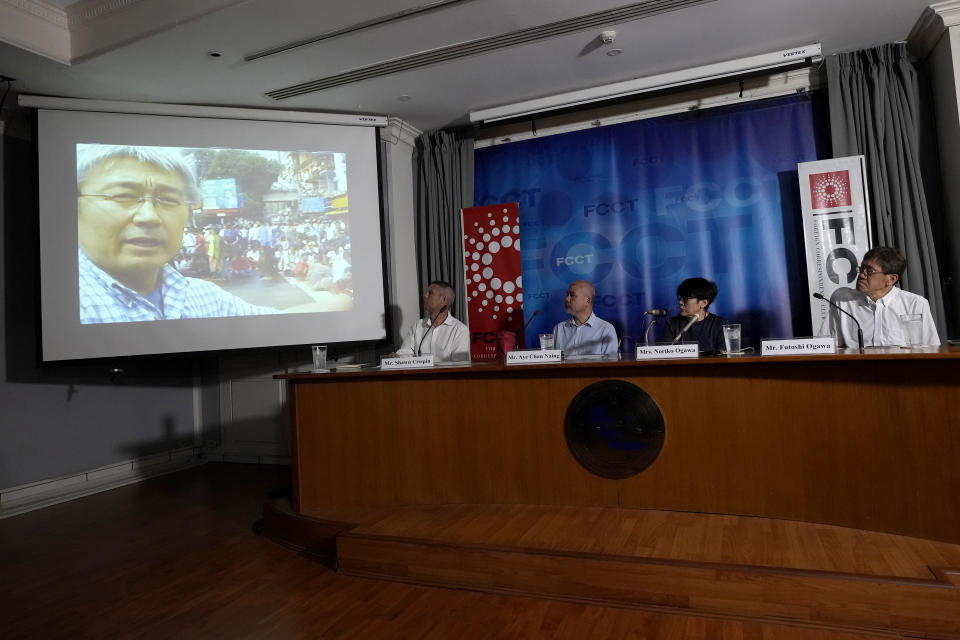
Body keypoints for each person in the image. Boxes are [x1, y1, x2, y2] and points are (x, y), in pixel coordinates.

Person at [77, 144, 275, 323]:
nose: (149, 216)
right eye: (123, 196)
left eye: (168, 199)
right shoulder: (60, 307)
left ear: (188, 212)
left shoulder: (205, 298)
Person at [819, 246, 940, 347]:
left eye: (870, 271)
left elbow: (931, 349)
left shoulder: (915, 304)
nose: (861, 275)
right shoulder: (843, 302)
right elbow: (824, 346)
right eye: (862, 269)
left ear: (891, 279)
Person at [394, 280, 470, 362]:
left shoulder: (460, 330)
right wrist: (395, 358)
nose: (425, 295)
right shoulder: (417, 326)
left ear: (443, 299)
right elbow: (405, 354)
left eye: (430, 293)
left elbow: (459, 366)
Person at [551, 280, 618, 356]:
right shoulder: (558, 329)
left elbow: (609, 366)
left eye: (572, 295)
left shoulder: (606, 330)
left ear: (588, 300)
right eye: (567, 295)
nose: (566, 299)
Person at [661, 277, 727, 352]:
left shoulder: (719, 324)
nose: (680, 302)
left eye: (686, 299)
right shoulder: (671, 324)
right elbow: (665, 355)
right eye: (680, 298)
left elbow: (723, 355)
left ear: (703, 303)